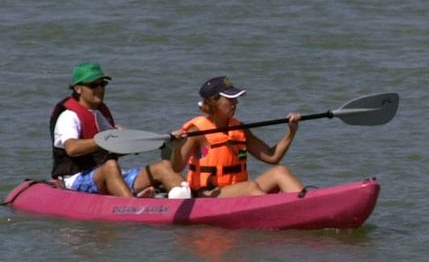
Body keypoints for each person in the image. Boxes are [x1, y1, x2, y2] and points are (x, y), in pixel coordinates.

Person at [49, 61, 186, 197]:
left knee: (163, 167)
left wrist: (166, 141)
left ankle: (189, 200)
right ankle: (133, 205)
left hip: (109, 175)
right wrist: (106, 139)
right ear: (78, 89)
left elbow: (116, 150)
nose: (100, 89)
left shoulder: (100, 114)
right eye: (93, 85)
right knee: (111, 166)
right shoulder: (69, 116)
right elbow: (72, 148)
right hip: (75, 179)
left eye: (103, 84)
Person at [170, 76, 305, 197]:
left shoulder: (240, 129)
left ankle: (308, 204)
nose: (235, 103)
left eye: (235, 98)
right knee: (250, 187)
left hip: (238, 189)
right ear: (213, 102)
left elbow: (272, 156)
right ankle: (277, 213)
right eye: (229, 99)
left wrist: (291, 132)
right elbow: (177, 168)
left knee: (280, 172)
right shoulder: (196, 132)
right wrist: (176, 148)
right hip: (209, 194)